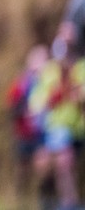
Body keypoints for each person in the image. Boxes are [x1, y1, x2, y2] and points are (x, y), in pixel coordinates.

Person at [30, 23, 85, 210]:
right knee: (61, 159)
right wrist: (49, 100)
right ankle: (68, 202)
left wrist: (78, 95)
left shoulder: (81, 67)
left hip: (79, 127)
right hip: (57, 127)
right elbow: (36, 100)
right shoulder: (50, 70)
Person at [5, 45, 48, 208]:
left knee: (43, 167)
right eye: (38, 60)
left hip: (41, 132)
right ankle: (20, 200)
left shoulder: (49, 81)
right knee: (22, 170)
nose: (41, 64)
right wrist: (25, 111)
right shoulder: (22, 83)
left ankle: (43, 201)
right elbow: (11, 106)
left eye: (44, 60)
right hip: (24, 132)